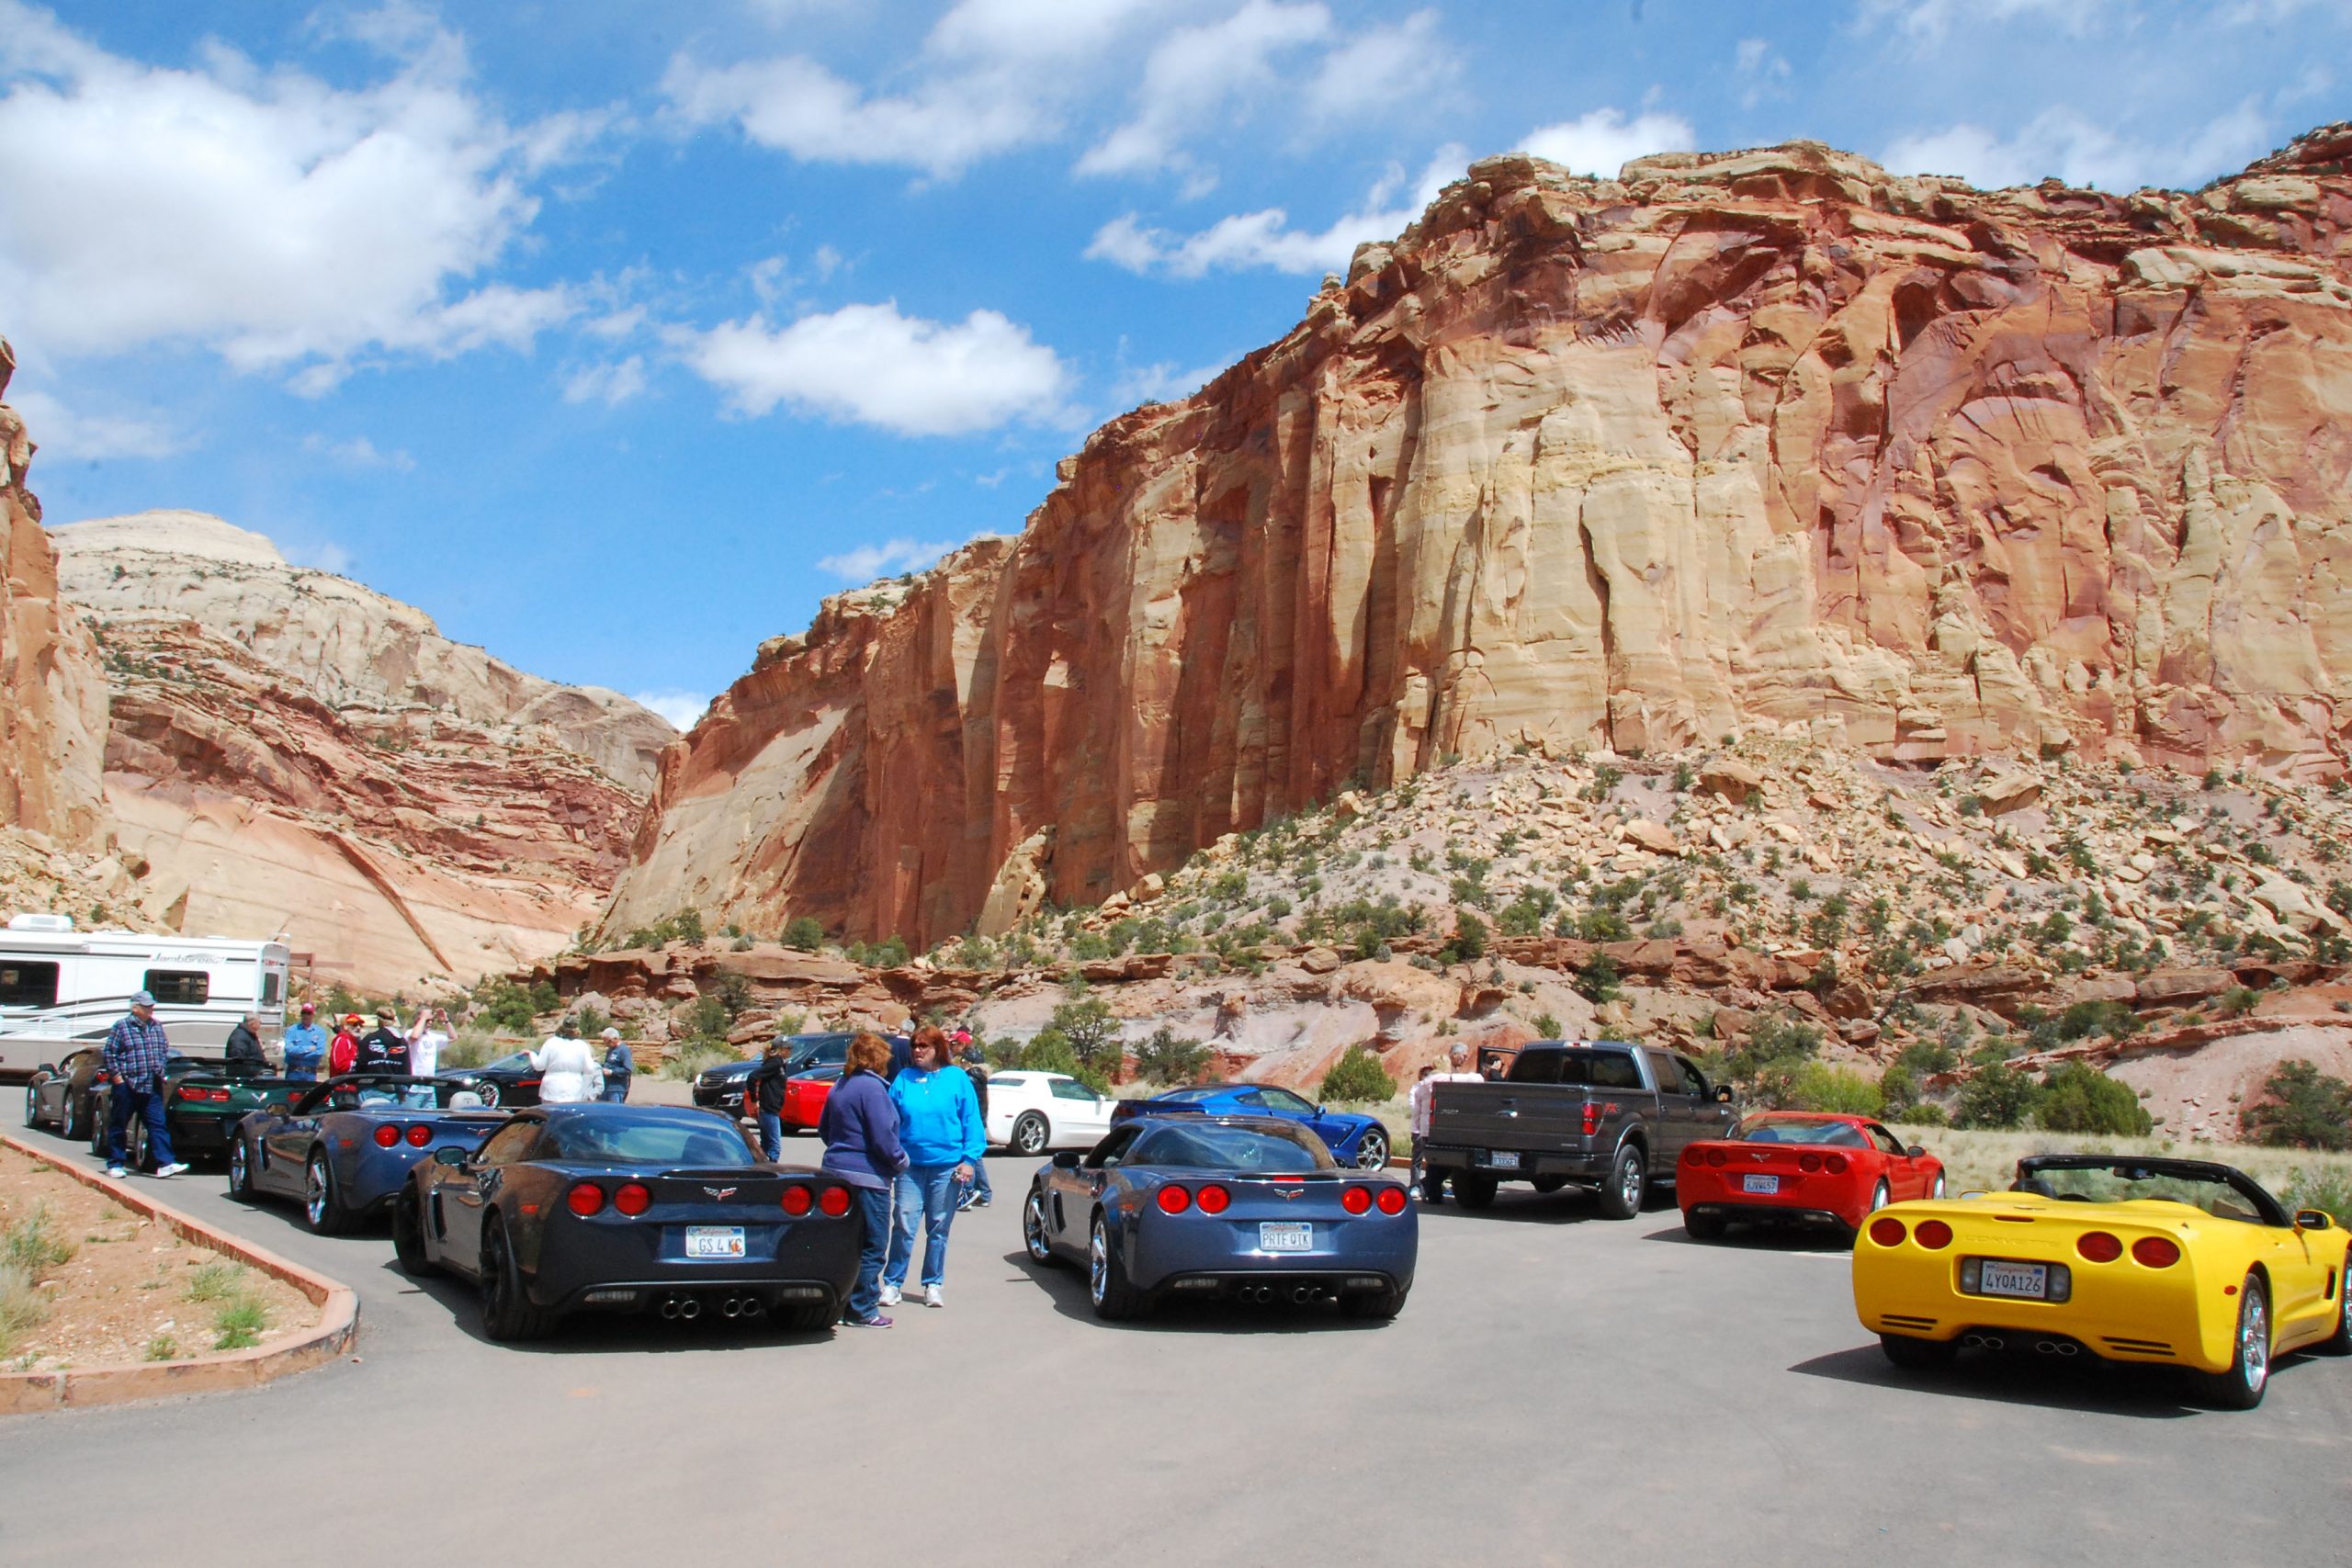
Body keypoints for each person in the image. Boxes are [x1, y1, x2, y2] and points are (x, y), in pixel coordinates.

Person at [879, 1026, 983, 1310]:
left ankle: (933, 1284)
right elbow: (889, 1121)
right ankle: (892, 1283)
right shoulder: (903, 1078)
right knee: (903, 1224)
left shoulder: (956, 1079)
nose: (917, 1051)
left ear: (938, 1049)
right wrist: (890, 1156)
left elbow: (971, 1120)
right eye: (914, 1046)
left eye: (924, 1046)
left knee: (938, 1227)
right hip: (909, 1168)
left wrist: (969, 1160)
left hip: (946, 1168)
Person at [820, 1033, 907, 1328]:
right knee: (873, 1243)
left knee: (846, 1241)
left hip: (836, 1173)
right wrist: (900, 1161)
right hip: (868, 1179)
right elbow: (883, 1137)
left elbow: (825, 1129)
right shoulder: (872, 1090)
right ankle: (862, 1308)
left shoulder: (840, 1086)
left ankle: (841, 1302)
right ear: (876, 1060)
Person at [101, 989, 187, 1179]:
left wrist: (160, 1070)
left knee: (157, 1124)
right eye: (147, 1006)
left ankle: (166, 1163)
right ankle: (115, 1164)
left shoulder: (156, 1026)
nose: (151, 1009)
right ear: (135, 1008)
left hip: (151, 1083)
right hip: (128, 1084)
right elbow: (109, 1053)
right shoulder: (122, 1026)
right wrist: (117, 1077)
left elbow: (164, 1048)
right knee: (119, 1123)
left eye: (151, 1006)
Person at [1410, 1043, 1483, 1202]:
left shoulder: (1422, 1084)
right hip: (1438, 1127)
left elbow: (1416, 1109)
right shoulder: (1442, 1079)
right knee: (1442, 1163)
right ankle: (1428, 1189)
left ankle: (1432, 1193)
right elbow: (1474, 1079)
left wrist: (1415, 1129)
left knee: (1433, 1163)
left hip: (1424, 1129)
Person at [956, 1041, 992, 1211]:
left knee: (970, 1157)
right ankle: (984, 1193)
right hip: (980, 1119)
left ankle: (968, 1192)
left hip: (972, 1121)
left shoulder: (969, 1078)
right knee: (976, 1157)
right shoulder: (981, 1077)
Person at [530, 1016, 600, 1104]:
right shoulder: (582, 1046)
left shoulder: (551, 1043)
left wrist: (532, 1055)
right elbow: (589, 1069)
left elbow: (539, 1066)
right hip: (574, 1090)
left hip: (551, 1090)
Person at [746, 1039, 792, 1159]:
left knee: (765, 1146)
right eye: (788, 1048)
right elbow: (752, 1077)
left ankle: (759, 1170)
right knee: (774, 1147)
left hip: (771, 1108)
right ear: (780, 1050)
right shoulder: (775, 1063)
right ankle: (771, 1172)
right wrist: (754, 1100)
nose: (790, 1051)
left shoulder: (779, 1063)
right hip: (769, 1108)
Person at [354, 1006, 412, 1075]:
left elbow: (360, 1065)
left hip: (373, 1082)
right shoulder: (402, 1041)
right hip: (397, 1082)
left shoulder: (369, 1039)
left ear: (378, 1020)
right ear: (393, 1021)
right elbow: (406, 1067)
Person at [281, 1002, 326, 1081]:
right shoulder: (292, 1030)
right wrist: (309, 1049)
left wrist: (297, 1053)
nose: (305, 1015)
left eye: (308, 1013)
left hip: (310, 1073)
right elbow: (289, 1049)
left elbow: (319, 1052)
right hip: (293, 1072)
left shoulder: (319, 1031)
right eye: (303, 1013)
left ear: (313, 1015)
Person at [599, 1028, 634, 1103]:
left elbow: (628, 1069)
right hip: (607, 1087)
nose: (606, 1044)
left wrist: (611, 1072)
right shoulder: (610, 1050)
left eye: (607, 1041)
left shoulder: (623, 1050)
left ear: (615, 1039)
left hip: (617, 1088)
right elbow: (609, 1064)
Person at [329, 1013, 363, 1077]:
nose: (358, 1027)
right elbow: (340, 1065)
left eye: (360, 1025)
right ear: (345, 1026)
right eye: (355, 1024)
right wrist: (360, 1064)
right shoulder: (342, 1040)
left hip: (353, 1083)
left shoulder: (355, 1042)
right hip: (342, 1084)